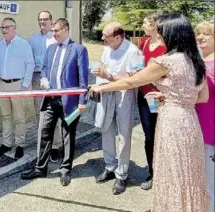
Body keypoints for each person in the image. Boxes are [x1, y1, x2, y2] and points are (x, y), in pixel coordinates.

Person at [89, 14, 210, 211]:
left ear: (172, 33)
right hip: (190, 123)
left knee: (171, 171)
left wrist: (101, 88)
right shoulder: (196, 60)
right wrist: (172, 96)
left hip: (172, 123)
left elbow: (131, 81)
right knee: (188, 172)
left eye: (161, 32)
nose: (159, 35)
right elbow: (202, 96)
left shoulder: (166, 61)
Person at [21, 18, 89, 186]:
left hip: (70, 102)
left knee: (67, 135)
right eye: (52, 31)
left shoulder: (79, 49)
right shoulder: (51, 49)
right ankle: (40, 168)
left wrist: (82, 101)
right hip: (50, 100)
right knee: (44, 133)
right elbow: (44, 68)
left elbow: (83, 79)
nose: (54, 34)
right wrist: (43, 79)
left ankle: (65, 169)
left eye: (56, 30)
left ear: (66, 29)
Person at [91, 22, 139, 195]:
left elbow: (133, 80)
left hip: (124, 95)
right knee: (107, 130)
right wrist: (98, 83)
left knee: (124, 134)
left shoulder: (133, 52)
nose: (102, 38)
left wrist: (109, 76)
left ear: (118, 37)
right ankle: (110, 166)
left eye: (106, 35)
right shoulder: (107, 48)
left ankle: (122, 174)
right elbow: (103, 68)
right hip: (106, 92)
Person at [0, 17, 34, 159]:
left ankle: (20, 144)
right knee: (5, 116)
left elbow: (30, 64)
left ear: (14, 28)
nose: (4, 30)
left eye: (7, 27)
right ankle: (6, 143)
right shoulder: (0, 44)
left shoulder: (23, 44)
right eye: (2, 28)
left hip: (17, 85)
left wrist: (25, 84)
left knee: (19, 117)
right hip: (2, 84)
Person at [137, 11, 167, 190]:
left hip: (163, 97)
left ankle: (166, 174)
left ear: (154, 25)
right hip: (144, 96)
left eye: (145, 23)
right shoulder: (144, 42)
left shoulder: (167, 45)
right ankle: (152, 173)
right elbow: (141, 65)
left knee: (163, 137)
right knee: (149, 137)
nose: (142, 26)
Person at [29, 11, 62, 162]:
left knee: (53, 111)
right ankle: (43, 143)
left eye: (45, 19)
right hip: (36, 78)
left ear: (51, 20)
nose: (42, 22)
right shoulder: (33, 39)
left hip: (52, 80)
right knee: (39, 112)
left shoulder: (55, 38)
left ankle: (55, 146)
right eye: (40, 19)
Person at [195, 20, 214, 212]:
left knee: (210, 186)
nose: (200, 37)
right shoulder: (201, 62)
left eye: (206, 34)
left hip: (210, 132)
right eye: (198, 33)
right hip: (195, 128)